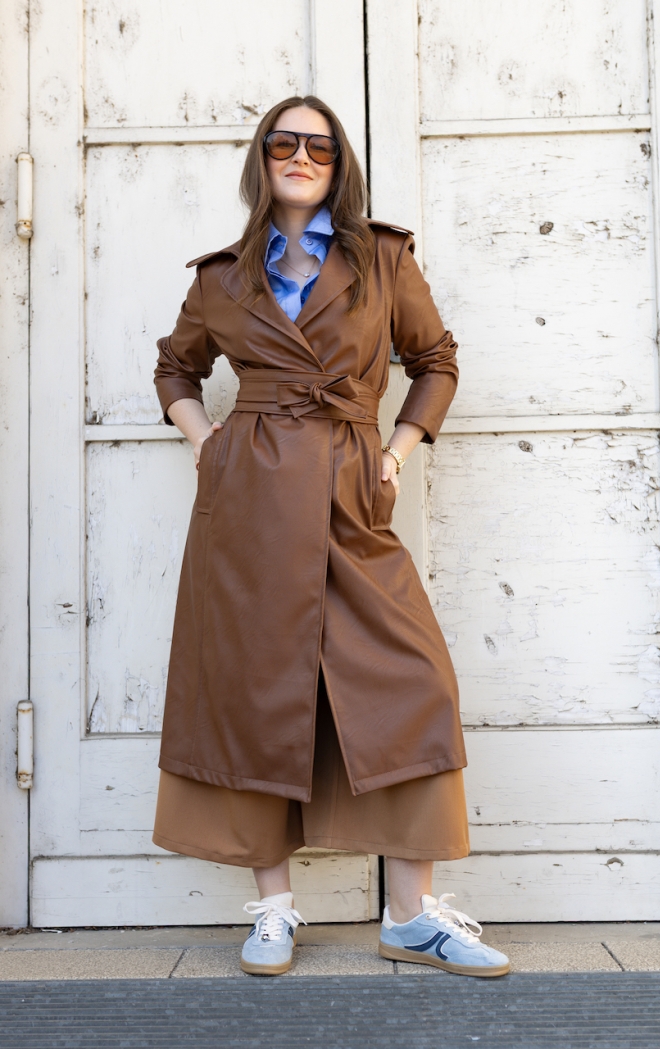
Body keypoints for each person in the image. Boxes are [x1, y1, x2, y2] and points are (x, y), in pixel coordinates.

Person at [152, 95, 509, 979]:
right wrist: (208, 446)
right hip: (249, 505)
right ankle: (274, 909)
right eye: (284, 142)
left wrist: (396, 450)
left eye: (319, 145)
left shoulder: (382, 258)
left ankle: (411, 917)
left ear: (339, 162)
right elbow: (176, 367)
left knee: (415, 683)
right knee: (257, 692)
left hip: (352, 494)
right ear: (262, 157)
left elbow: (436, 360)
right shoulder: (221, 277)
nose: (301, 156)